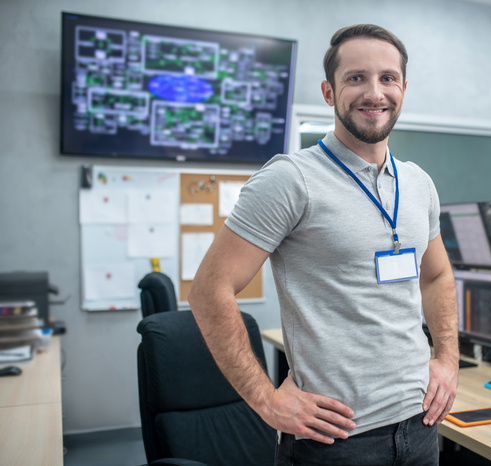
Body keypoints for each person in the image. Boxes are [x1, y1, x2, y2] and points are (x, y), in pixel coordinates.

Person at [188, 23, 459, 466]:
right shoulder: (290, 179)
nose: (375, 92)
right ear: (330, 92)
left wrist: (447, 360)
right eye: (356, 78)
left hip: (421, 425)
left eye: (387, 78)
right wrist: (266, 400)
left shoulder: (418, 184)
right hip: (335, 439)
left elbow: (436, 274)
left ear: (403, 89)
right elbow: (208, 291)